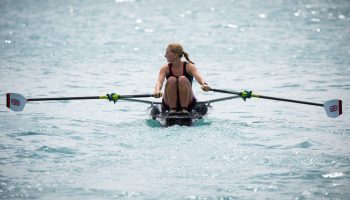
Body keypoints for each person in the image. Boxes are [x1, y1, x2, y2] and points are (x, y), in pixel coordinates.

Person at [153, 43, 210, 114]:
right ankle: (172, 110)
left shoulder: (189, 66)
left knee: (182, 79)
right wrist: (157, 90)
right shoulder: (165, 68)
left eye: (167, 53)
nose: (165, 55)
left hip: (188, 103)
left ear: (176, 54)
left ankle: (184, 110)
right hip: (169, 103)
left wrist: (204, 84)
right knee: (171, 79)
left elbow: (199, 77)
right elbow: (159, 82)